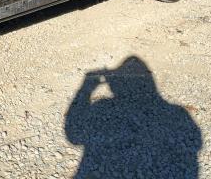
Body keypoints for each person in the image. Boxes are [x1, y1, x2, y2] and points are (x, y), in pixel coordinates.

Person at [65, 56, 202, 178]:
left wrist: (86, 88)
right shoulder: (178, 113)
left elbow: (74, 136)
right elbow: (195, 144)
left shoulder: (102, 106)